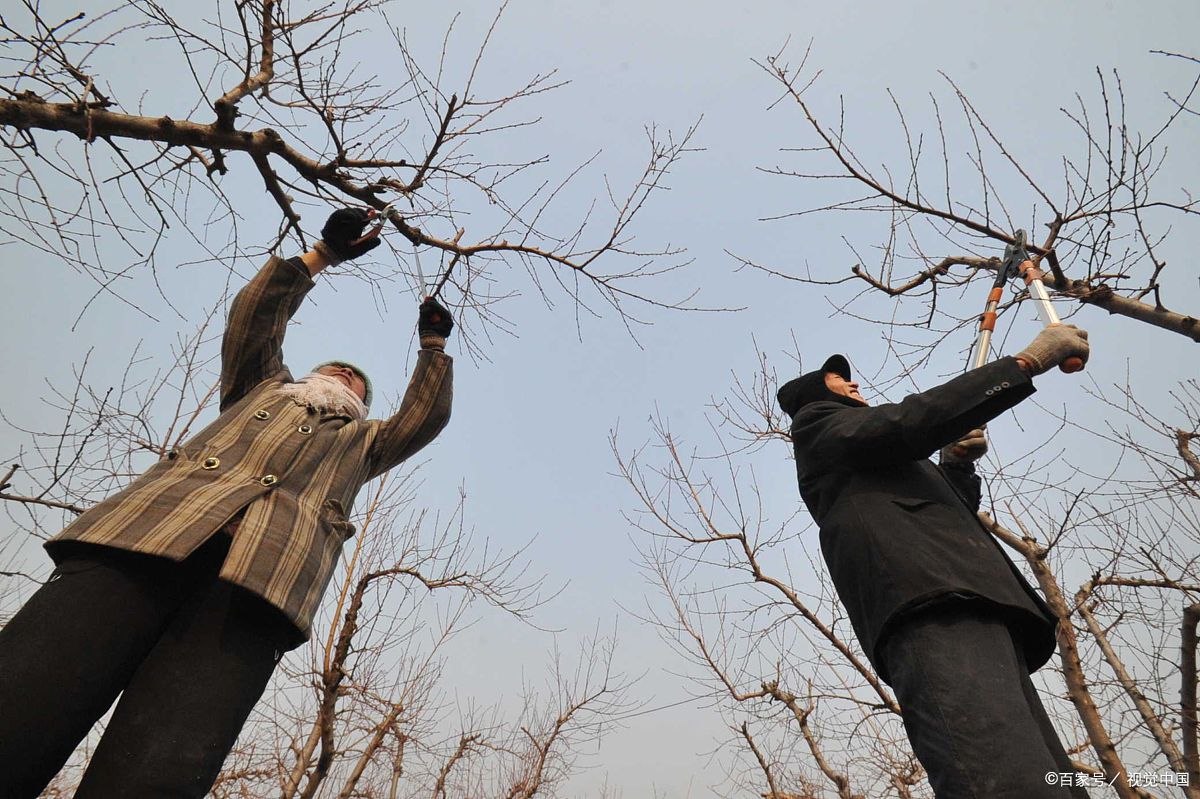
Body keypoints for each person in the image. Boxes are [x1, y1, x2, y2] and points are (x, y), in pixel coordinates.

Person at [0, 208, 455, 798]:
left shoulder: (366, 442)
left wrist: (433, 345)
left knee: (159, 767)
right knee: (25, 697)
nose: (343, 374)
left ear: (363, 403)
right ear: (302, 377)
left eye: (355, 379)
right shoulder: (261, 387)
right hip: (145, 536)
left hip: (261, 585)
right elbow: (253, 321)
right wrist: (323, 254)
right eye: (333, 367)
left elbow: (426, 418)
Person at [776, 325, 1092, 799]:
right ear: (814, 397)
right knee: (1003, 777)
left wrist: (957, 467)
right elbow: (908, 422)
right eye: (838, 380)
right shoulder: (819, 424)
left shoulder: (867, 456)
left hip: (968, 599)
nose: (853, 383)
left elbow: (942, 518)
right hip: (929, 606)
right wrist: (1024, 364)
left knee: (1047, 778)